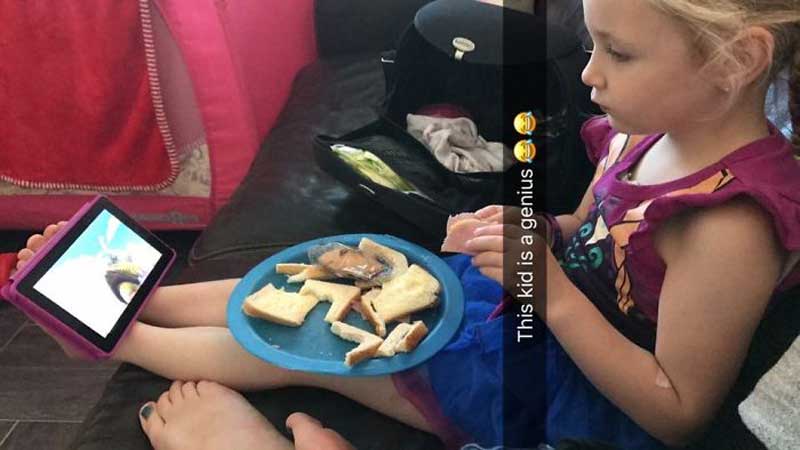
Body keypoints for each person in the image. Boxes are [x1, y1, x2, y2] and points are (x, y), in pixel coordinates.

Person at [4, 0, 800, 448]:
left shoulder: (727, 226)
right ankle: (131, 299)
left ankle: (120, 338)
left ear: (737, 62)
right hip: (535, 318)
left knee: (327, 346)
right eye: (593, 44)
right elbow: (586, 229)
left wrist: (550, 292)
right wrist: (531, 233)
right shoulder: (648, 129)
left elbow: (678, 411)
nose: (589, 74)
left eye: (618, 54)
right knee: (344, 268)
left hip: (575, 399)